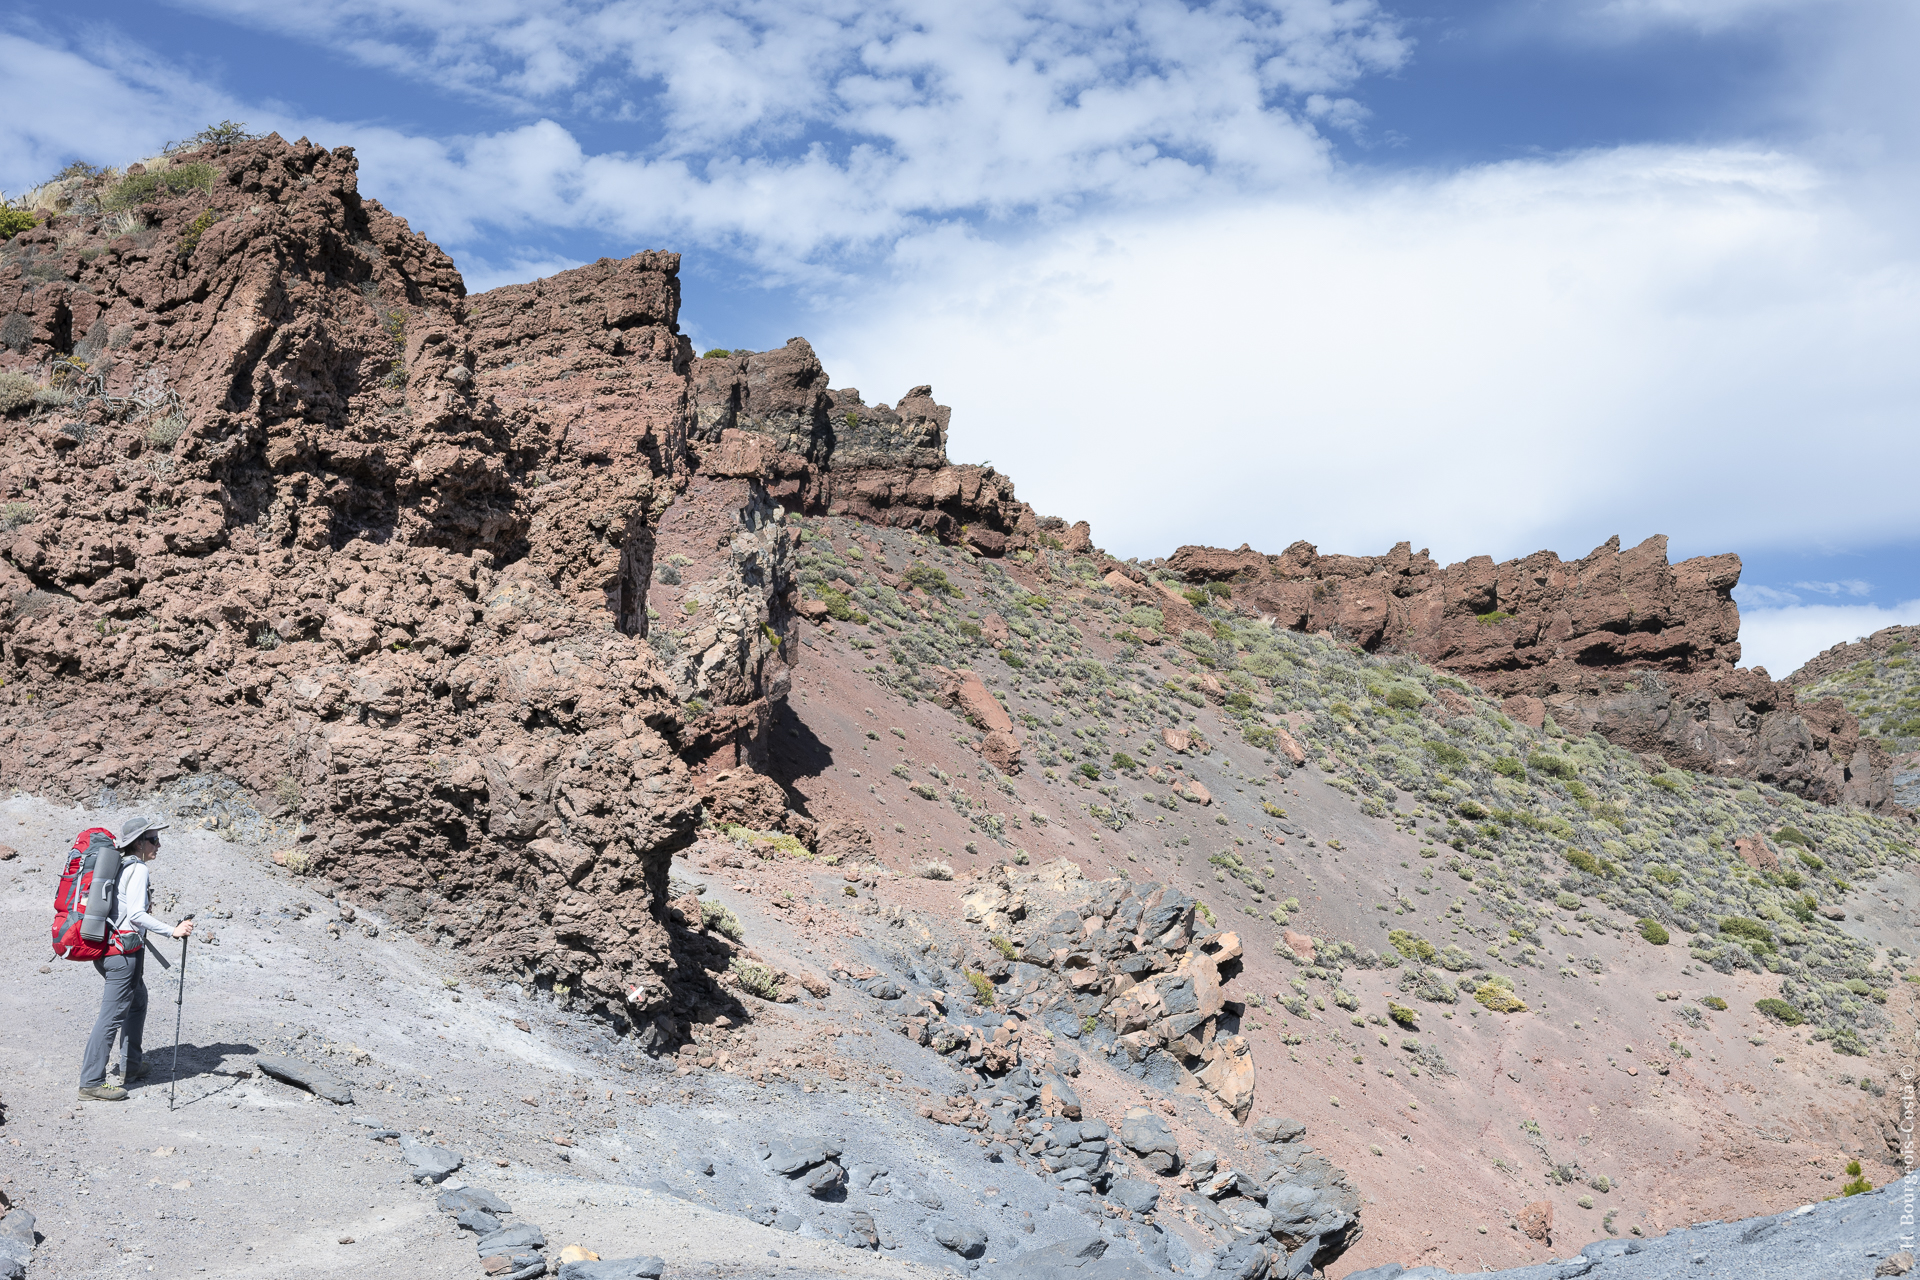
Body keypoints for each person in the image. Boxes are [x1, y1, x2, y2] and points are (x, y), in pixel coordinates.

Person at [77, 817, 193, 1103]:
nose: (158, 844)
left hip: (112, 949)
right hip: (122, 955)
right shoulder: (137, 868)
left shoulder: (121, 866)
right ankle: (91, 1082)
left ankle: (131, 1065)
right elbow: (136, 915)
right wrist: (173, 931)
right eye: (153, 839)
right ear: (139, 843)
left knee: (138, 999)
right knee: (112, 1016)